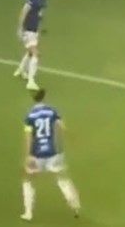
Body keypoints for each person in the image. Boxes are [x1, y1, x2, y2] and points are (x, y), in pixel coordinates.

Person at [21, 89, 81, 221]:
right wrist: (71, 139)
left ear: (33, 98)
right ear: (44, 97)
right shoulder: (53, 111)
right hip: (53, 153)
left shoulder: (30, 116)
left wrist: (28, 155)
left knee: (28, 180)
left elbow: (29, 136)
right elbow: (62, 128)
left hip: (36, 154)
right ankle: (75, 206)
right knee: (62, 179)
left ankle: (28, 212)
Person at [14, 0, 49, 91]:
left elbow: (39, 14)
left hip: (34, 30)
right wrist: (19, 28)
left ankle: (21, 70)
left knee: (30, 52)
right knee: (35, 54)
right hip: (28, 29)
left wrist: (39, 28)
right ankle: (31, 81)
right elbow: (24, 11)